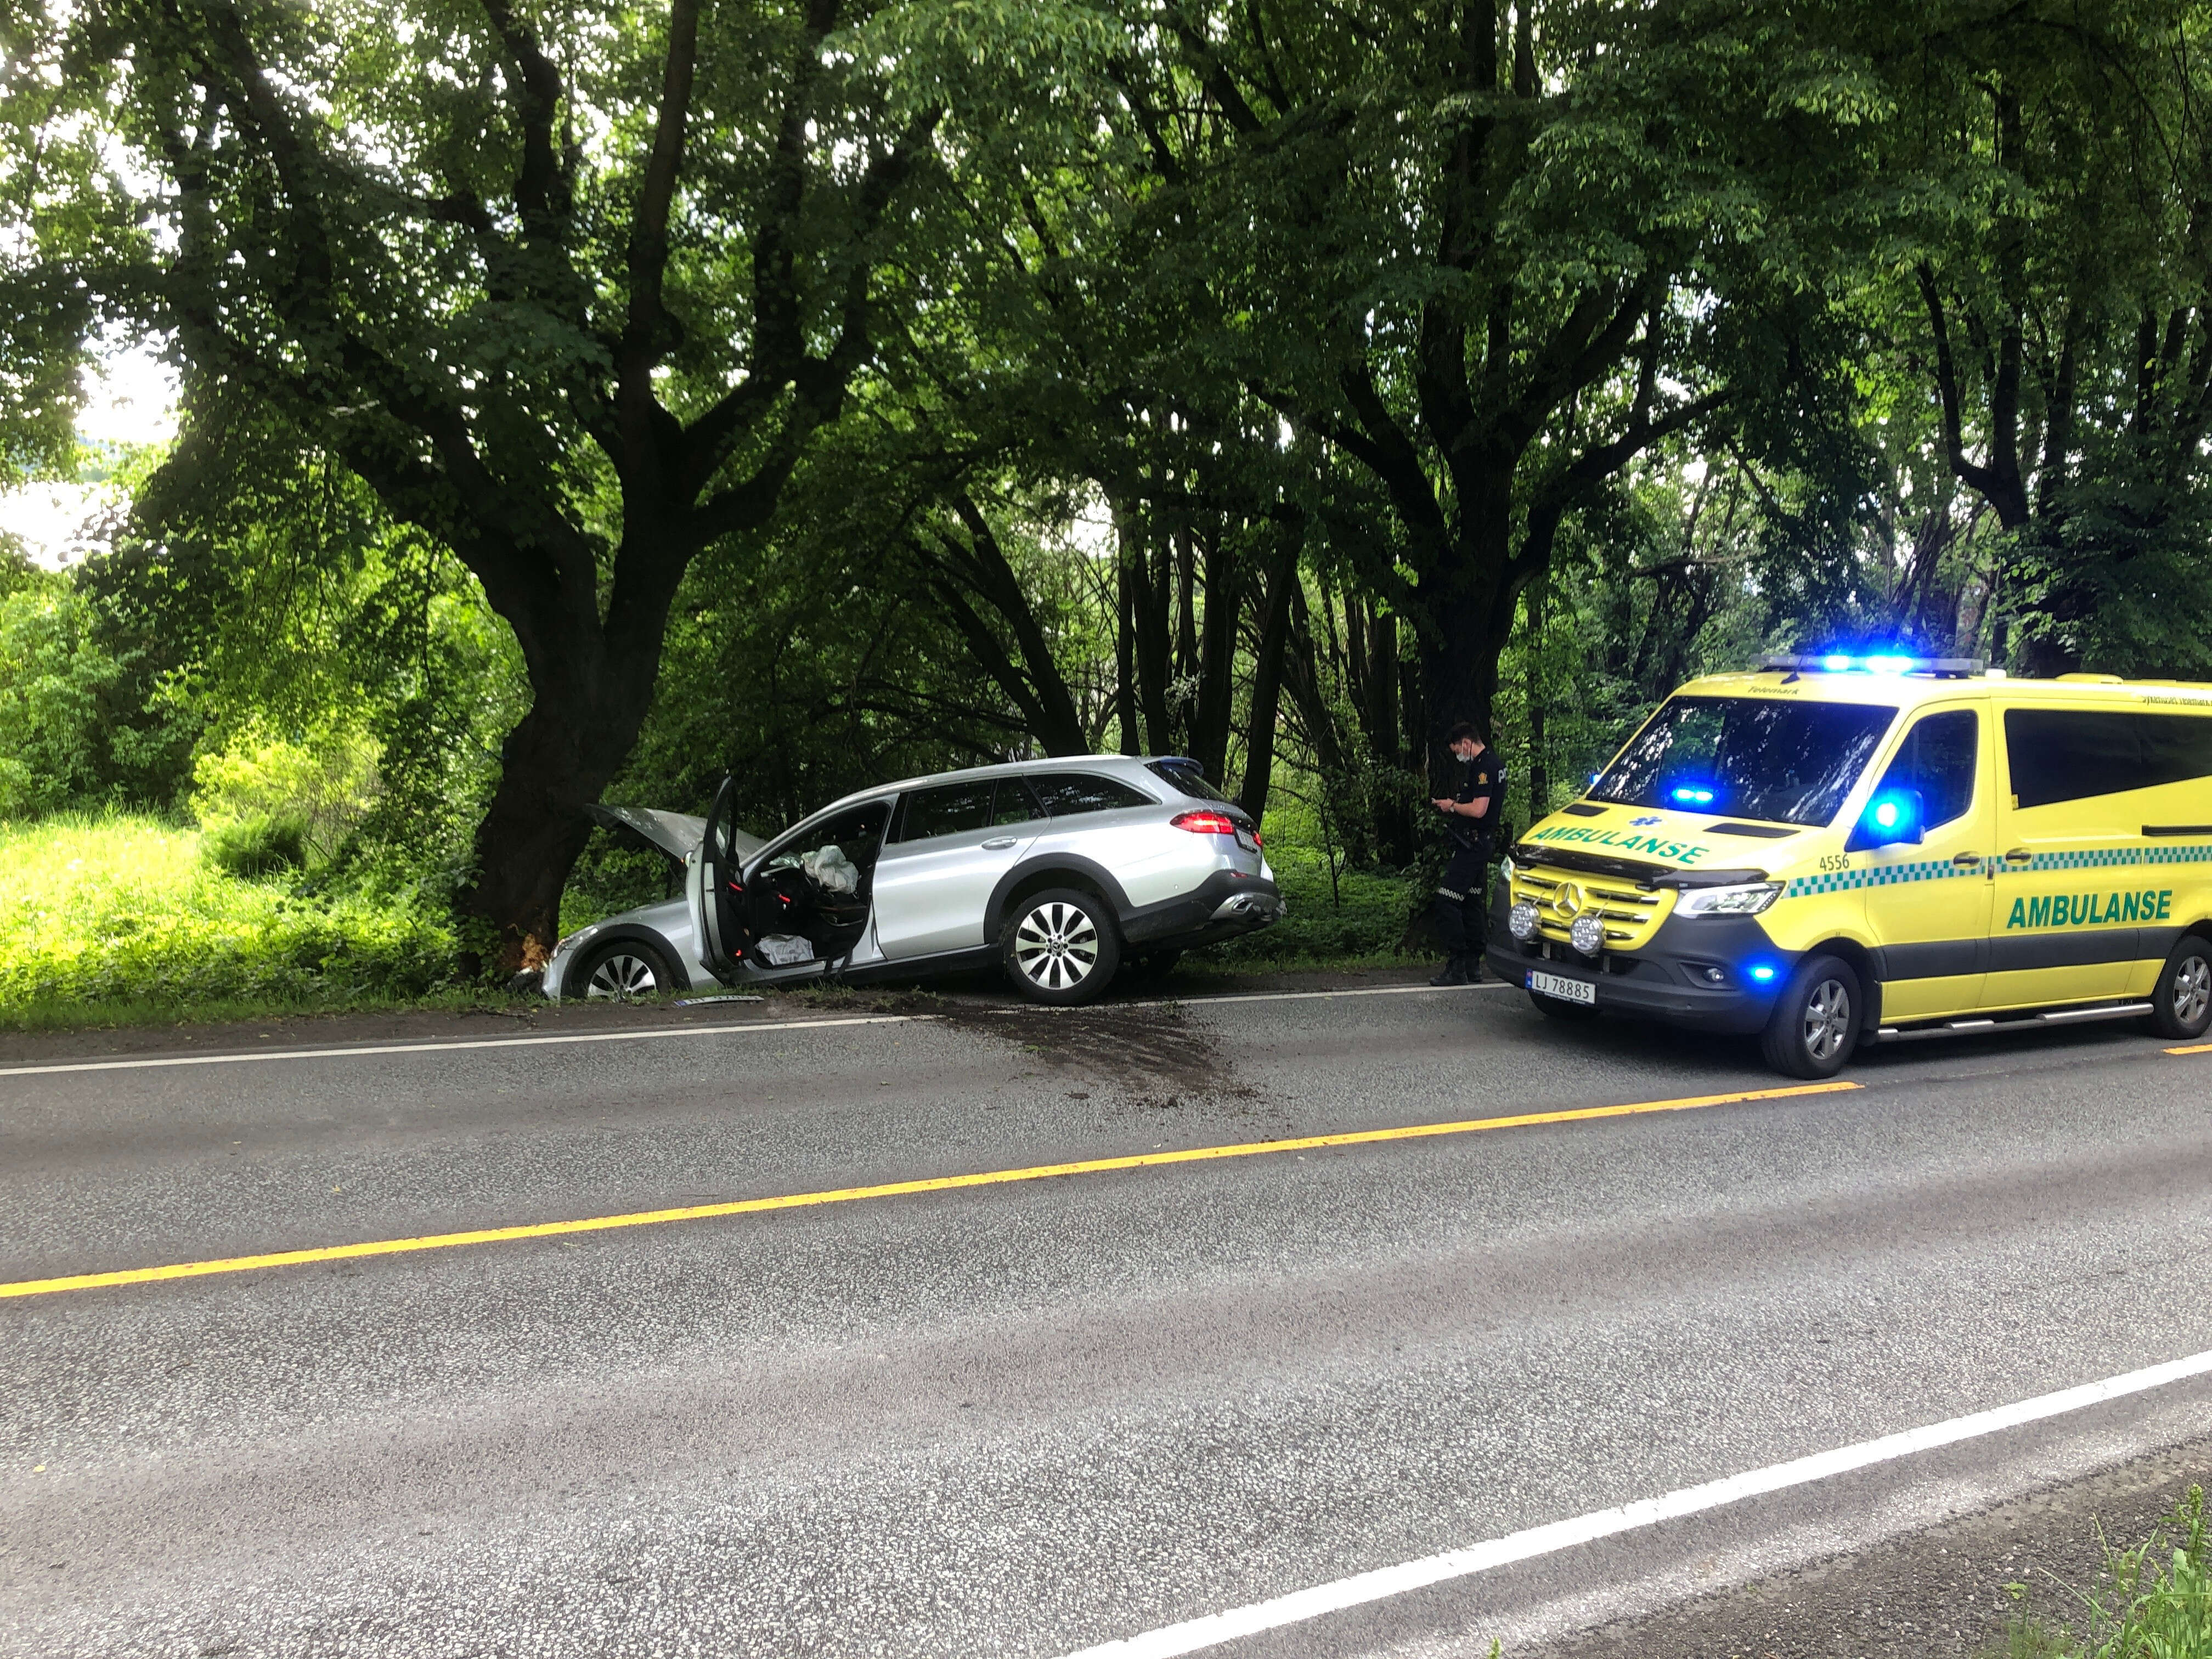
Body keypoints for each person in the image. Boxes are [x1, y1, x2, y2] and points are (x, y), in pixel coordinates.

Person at [1429, 721, 1502, 985]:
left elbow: (1479, 810)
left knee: (1446, 900)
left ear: (1467, 743)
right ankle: (1473, 964)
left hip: (1474, 845)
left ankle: (1457, 963)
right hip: (1480, 843)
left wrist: (1452, 806)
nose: (1459, 756)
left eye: (1458, 750)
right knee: (1471, 902)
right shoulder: (1493, 763)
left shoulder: (1484, 767)